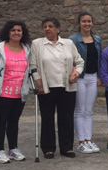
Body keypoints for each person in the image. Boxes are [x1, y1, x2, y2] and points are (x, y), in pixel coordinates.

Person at [29, 18, 84, 159]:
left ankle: (66, 147)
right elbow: (33, 65)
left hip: (67, 86)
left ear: (58, 29)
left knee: (66, 117)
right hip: (47, 87)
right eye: (45, 26)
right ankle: (48, 148)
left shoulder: (68, 43)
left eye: (51, 26)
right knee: (47, 117)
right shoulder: (37, 44)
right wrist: (38, 82)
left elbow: (79, 62)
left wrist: (76, 73)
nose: (47, 29)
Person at [0, 21, 31, 163]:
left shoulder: (27, 49)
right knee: (1, 121)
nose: (16, 33)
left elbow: (29, 71)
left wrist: (28, 86)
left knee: (13, 122)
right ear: (7, 32)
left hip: (19, 93)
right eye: (13, 30)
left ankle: (13, 148)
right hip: (2, 93)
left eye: (19, 30)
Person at [69, 12, 102, 154]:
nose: (87, 24)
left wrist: (100, 75)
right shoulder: (73, 40)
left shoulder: (97, 39)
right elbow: (70, 59)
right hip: (80, 77)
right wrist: (74, 72)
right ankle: (81, 141)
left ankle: (88, 139)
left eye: (89, 21)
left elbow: (98, 58)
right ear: (79, 23)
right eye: (84, 21)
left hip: (93, 77)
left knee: (89, 110)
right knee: (79, 110)